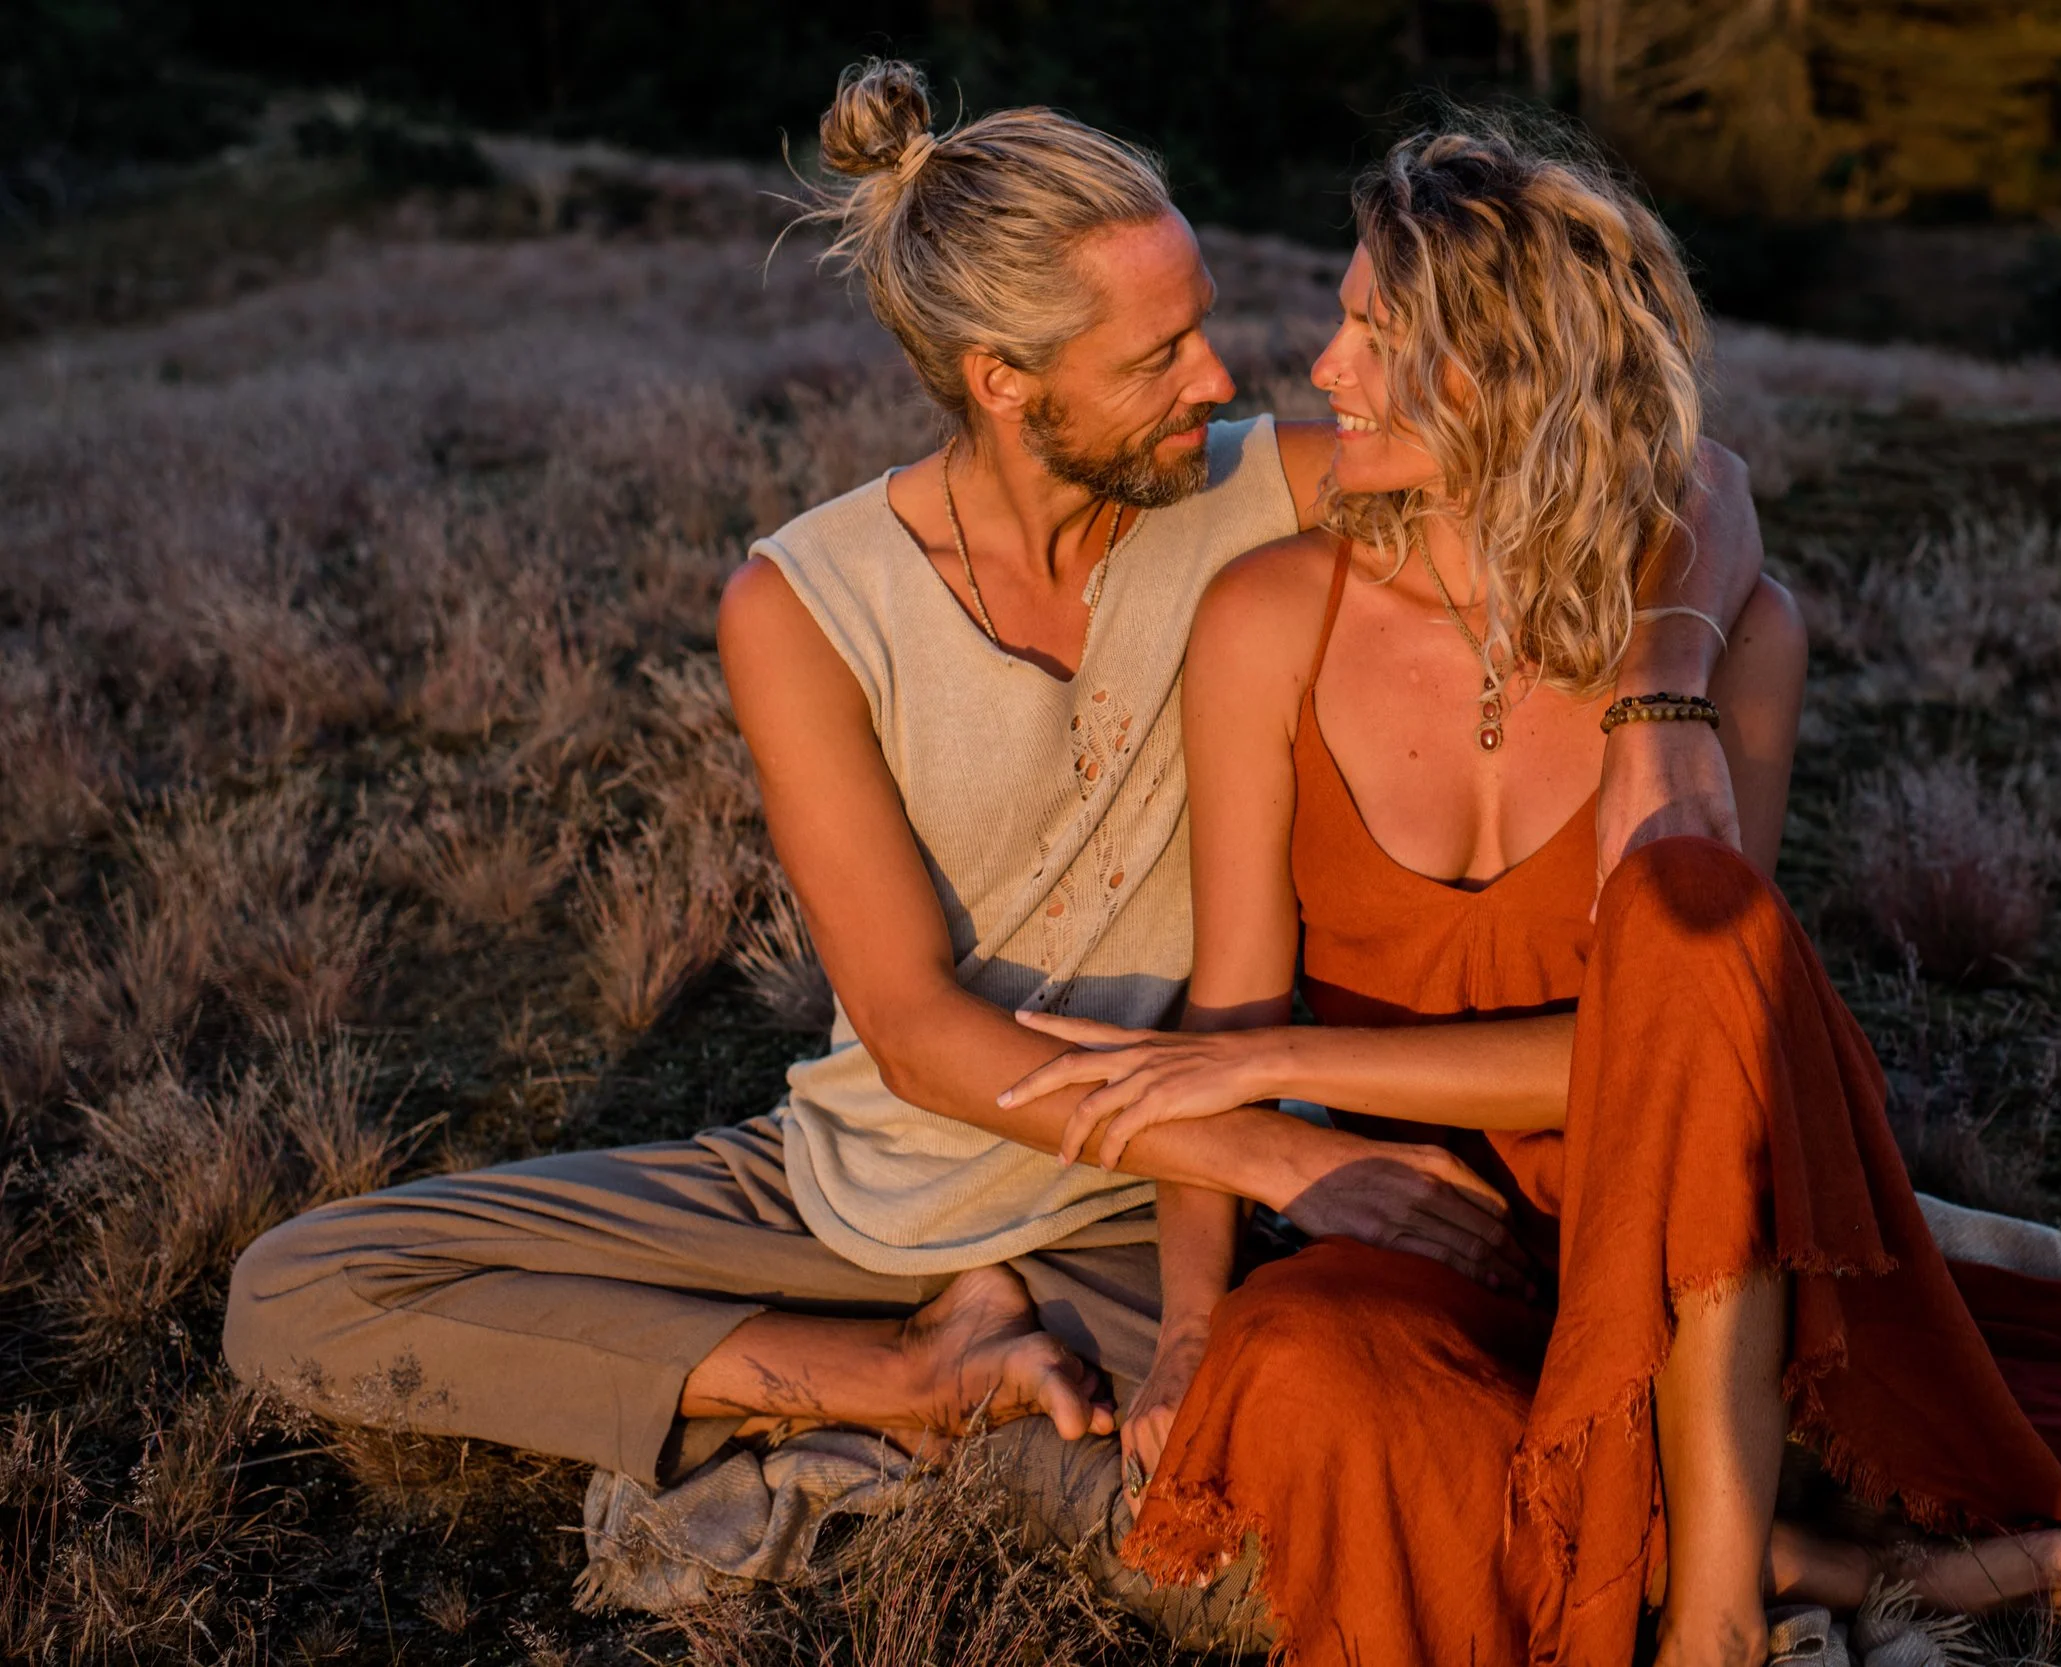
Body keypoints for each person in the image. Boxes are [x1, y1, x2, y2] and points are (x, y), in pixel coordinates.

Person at [219, 63, 1768, 1621]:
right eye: (1158, 353)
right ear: (1004, 381)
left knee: (1308, 1538)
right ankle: (902, 1384)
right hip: (863, 1193)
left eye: (1203, 322)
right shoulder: (807, 605)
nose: (1222, 378)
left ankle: (977, 1418)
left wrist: (1666, 682)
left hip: (1129, 1223)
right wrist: (1279, 1141)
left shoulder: (1254, 500)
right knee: (298, 1294)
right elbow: (914, 1034)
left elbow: (1684, 466)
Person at [993, 123, 2061, 1667]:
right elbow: (1232, 997)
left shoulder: (1735, 640)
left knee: (1699, 927)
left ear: (1510, 376)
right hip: (1429, 1237)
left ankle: (1720, 1620)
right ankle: (1827, 1559)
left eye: (1377, 333)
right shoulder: (1272, 615)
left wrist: (1276, 1070)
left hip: (1699, 1263)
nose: (1325, 363)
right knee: (1303, 1369)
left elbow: (1686, 1051)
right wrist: (1196, 1313)